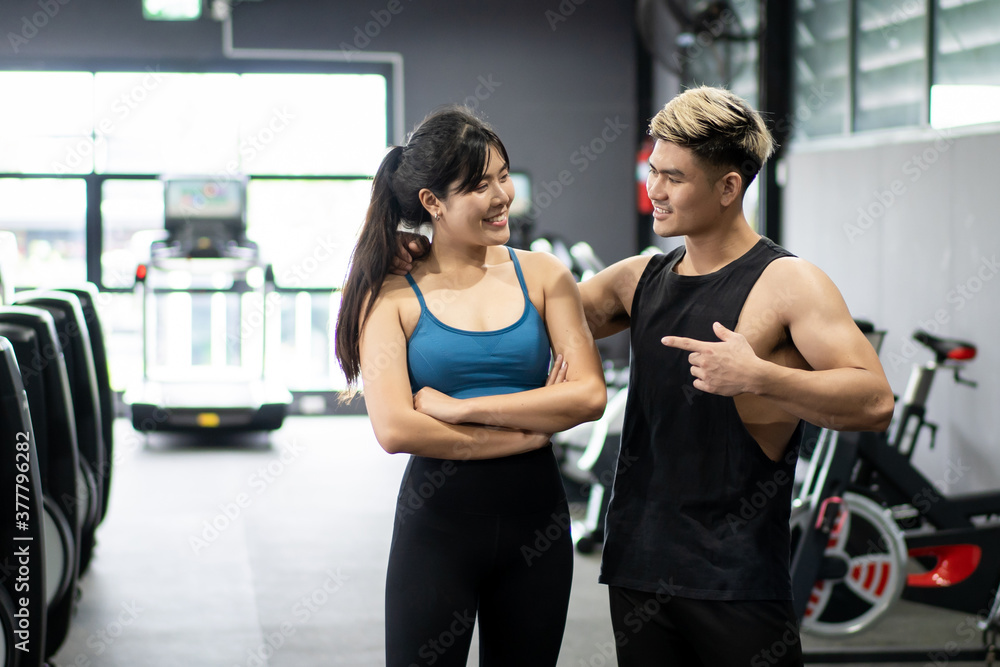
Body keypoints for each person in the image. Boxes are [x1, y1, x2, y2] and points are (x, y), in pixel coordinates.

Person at [393, 86, 894, 666]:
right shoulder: (639, 279)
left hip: (734, 579)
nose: (654, 189)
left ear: (729, 187)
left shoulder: (790, 283)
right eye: (652, 170)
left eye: (674, 177)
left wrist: (759, 376)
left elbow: (874, 399)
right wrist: (426, 252)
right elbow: (510, 321)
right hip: (640, 572)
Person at [334, 106, 607, 667]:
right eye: (480, 185)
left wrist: (461, 411)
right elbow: (395, 428)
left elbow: (587, 396)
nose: (502, 195)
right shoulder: (391, 295)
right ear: (433, 202)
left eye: (503, 176)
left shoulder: (546, 276)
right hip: (437, 531)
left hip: (537, 526)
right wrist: (527, 429)